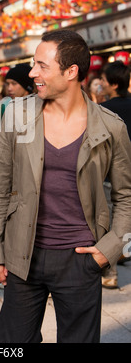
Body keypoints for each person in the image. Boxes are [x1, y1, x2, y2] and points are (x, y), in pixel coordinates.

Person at [0, 29, 131, 343]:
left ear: (71, 71)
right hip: (24, 254)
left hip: (81, 257)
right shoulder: (18, 116)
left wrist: (110, 249)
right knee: (11, 340)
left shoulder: (110, 126)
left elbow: (125, 194)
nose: (33, 72)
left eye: (42, 65)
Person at [99, 60, 131, 288]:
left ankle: (110, 273)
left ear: (113, 83)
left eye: (102, 80)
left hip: (113, 175)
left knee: (111, 224)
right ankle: (124, 253)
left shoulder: (106, 109)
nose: (100, 83)